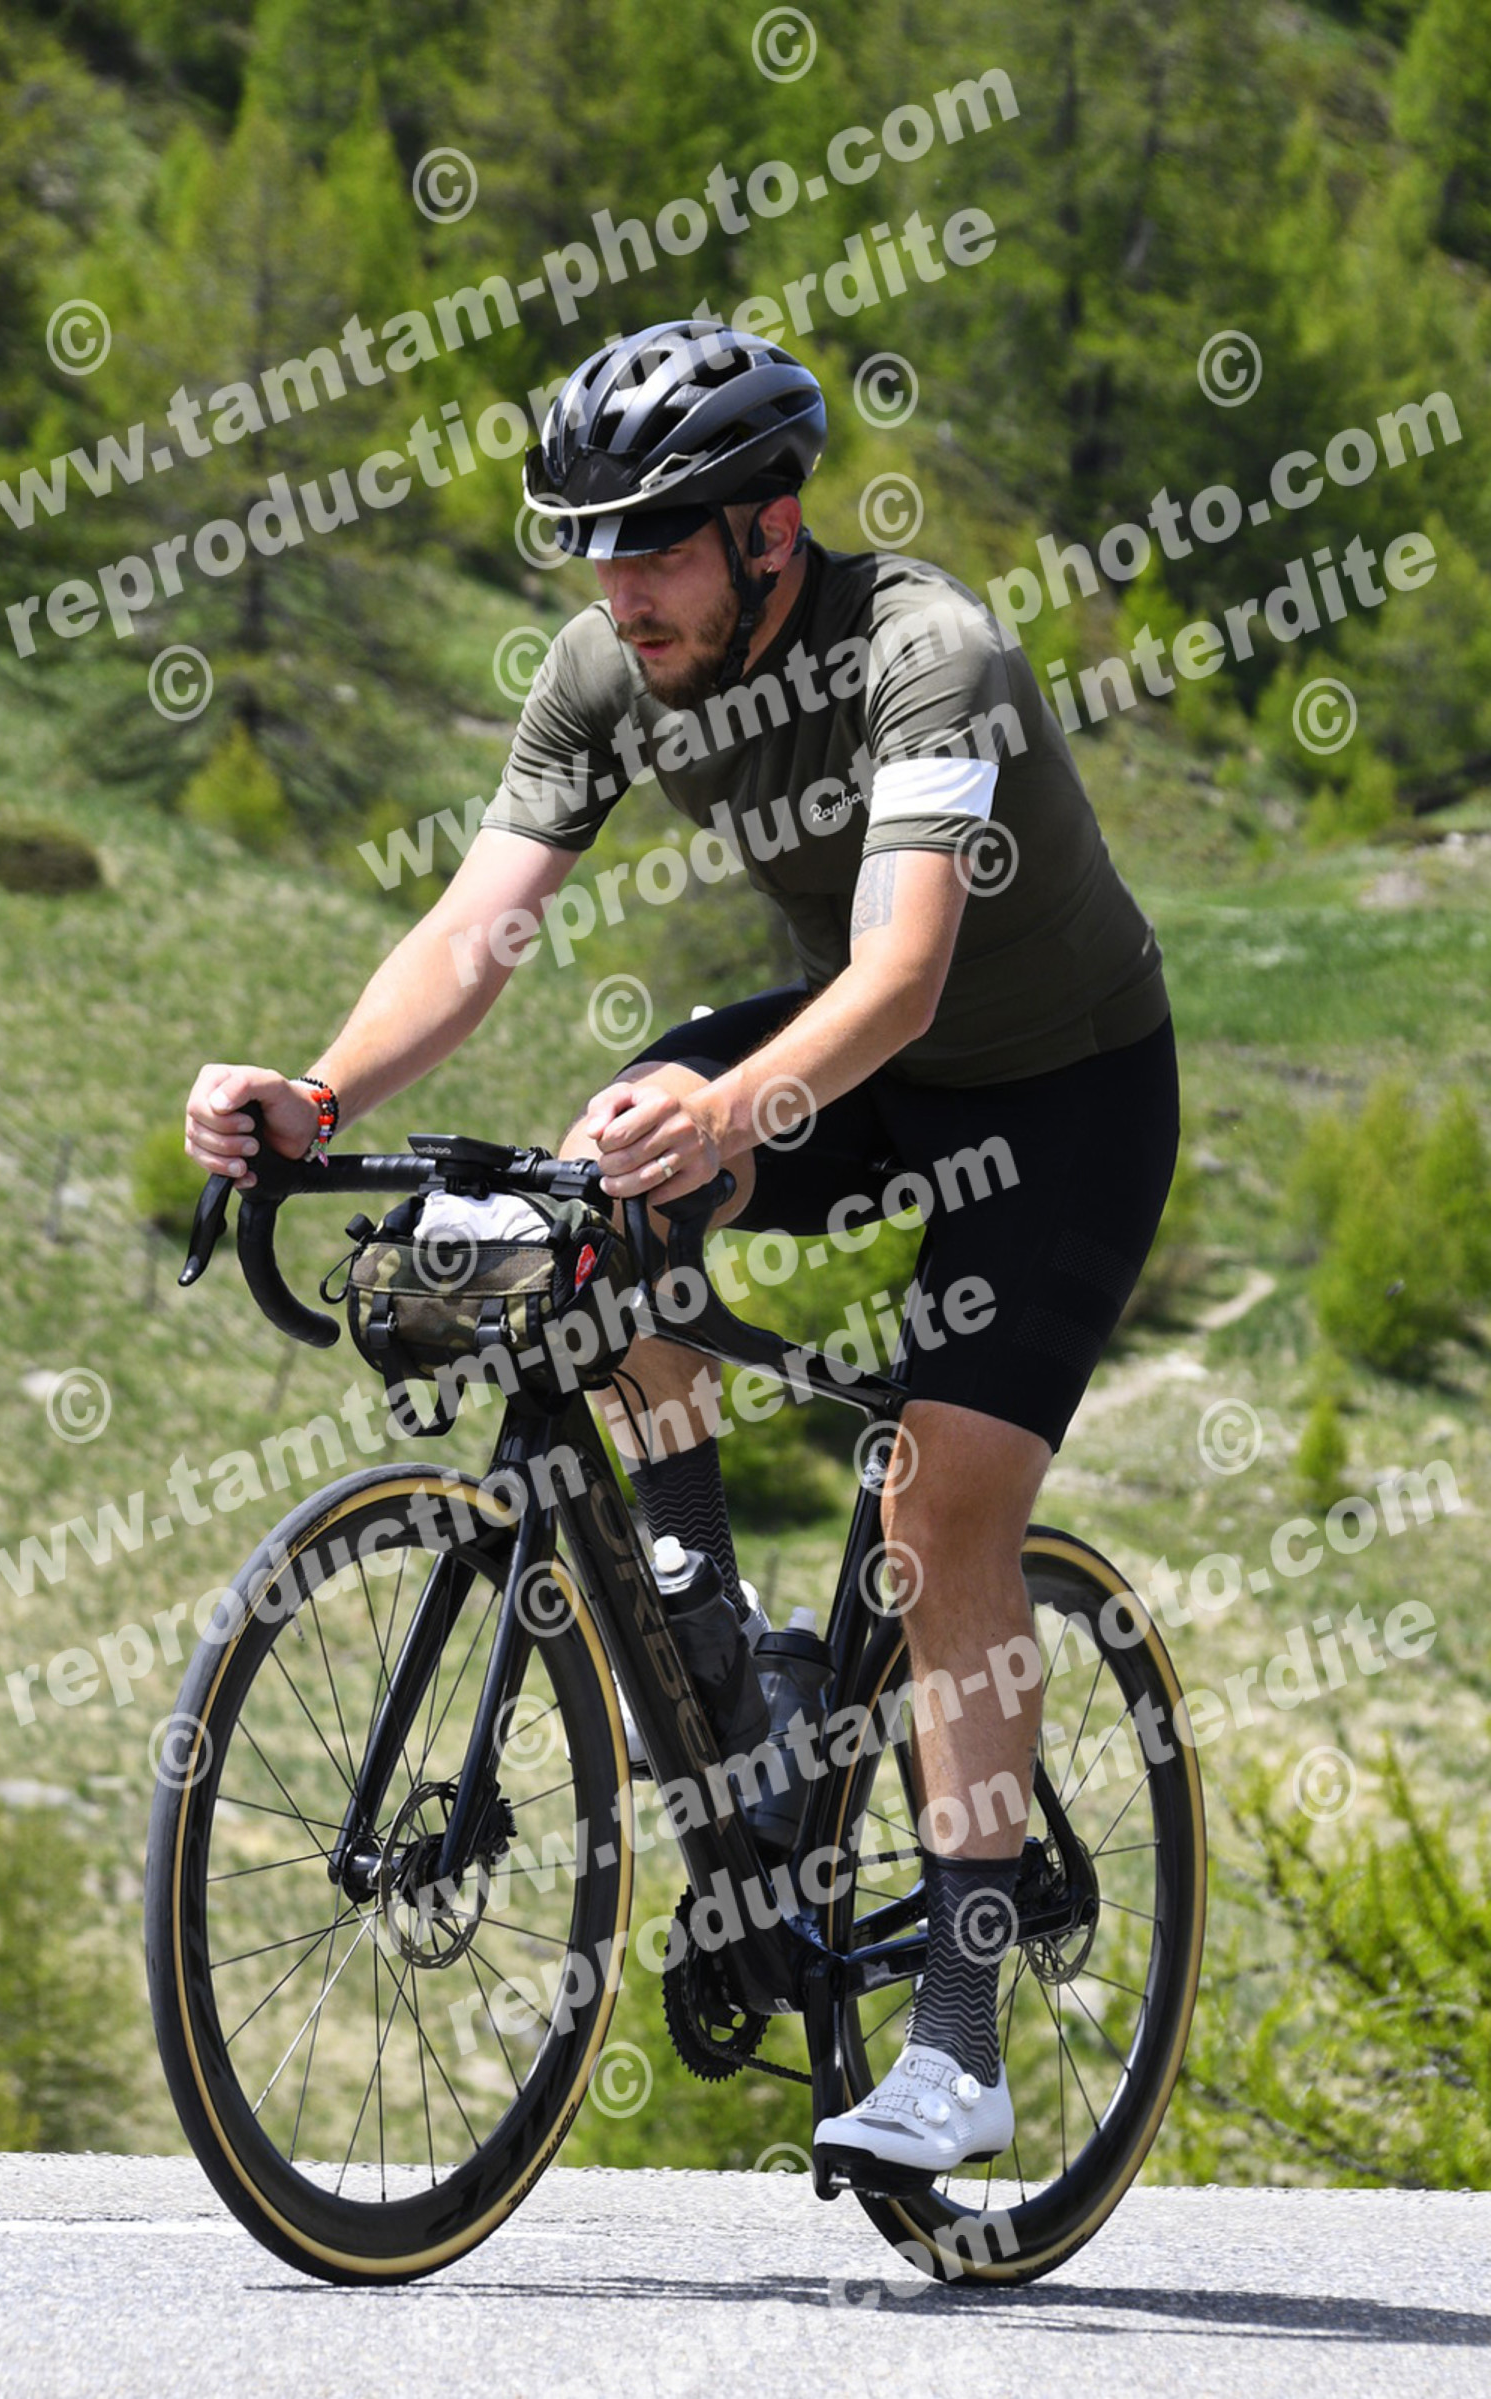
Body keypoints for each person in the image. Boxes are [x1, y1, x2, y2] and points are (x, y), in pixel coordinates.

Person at [183, 318, 1180, 2190]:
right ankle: (708, 1627)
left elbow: (903, 973)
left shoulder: (929, 655)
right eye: (590, 548)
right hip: (860, 1068)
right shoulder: (608, 665)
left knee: (939, 1505)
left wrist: (732, 1117)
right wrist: (314, 1097)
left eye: (651, 547)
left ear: (768, 528)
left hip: (1059, 1092)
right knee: (592, 1197)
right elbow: (478, 927)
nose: (616, 590)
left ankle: (961, 2045)